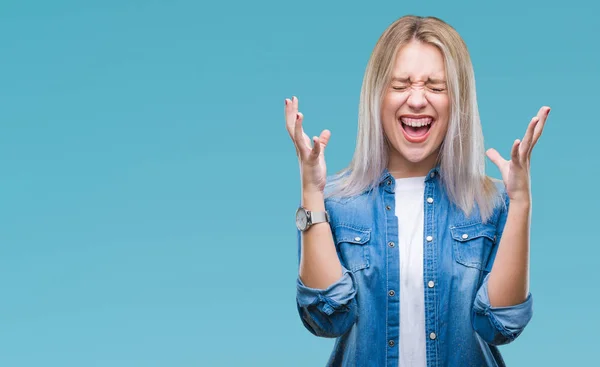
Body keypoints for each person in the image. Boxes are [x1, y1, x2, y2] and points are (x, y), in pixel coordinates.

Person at [284, 15, 549, 367]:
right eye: (401, 84)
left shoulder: (491, 203)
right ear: (377, 96)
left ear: (458, 102)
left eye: (436, 87)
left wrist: (520, 204)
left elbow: (500, 324)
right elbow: (325, 317)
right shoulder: (337, 203)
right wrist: (311, 193)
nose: (417, 100)